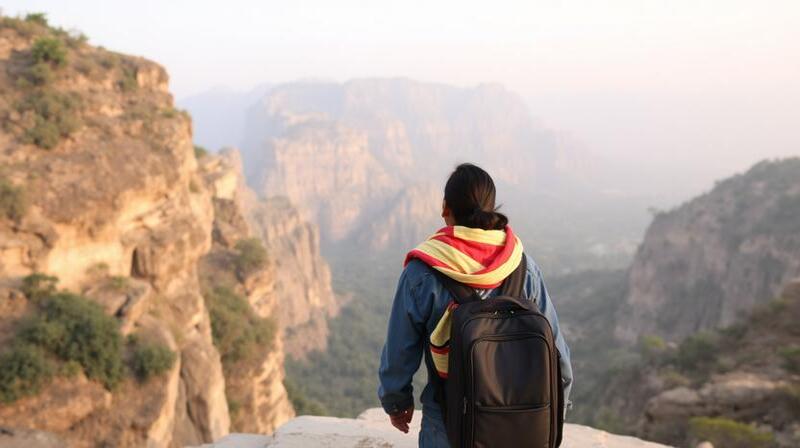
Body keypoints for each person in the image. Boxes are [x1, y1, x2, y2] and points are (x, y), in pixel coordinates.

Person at [377, 163, 573, 447]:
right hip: (520, 424)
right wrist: (554, 407)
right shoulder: (522, 266)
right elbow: (556, 351)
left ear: (445, 207)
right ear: (490, 208)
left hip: (447, 423)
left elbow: (400, 350)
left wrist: (396, 403)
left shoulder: (422, 272)